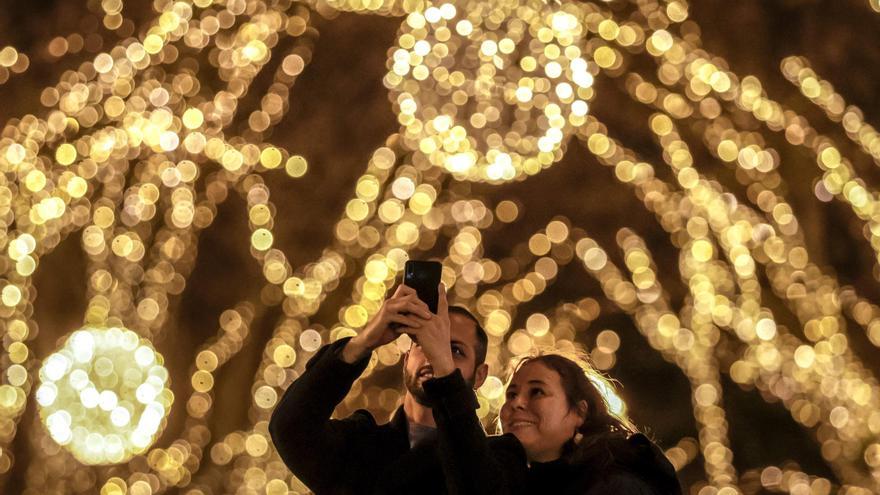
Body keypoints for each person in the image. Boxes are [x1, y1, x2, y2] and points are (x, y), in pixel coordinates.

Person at [269, 283, 522, 495]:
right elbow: (291, 428)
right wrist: (362, 342)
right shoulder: (359, 446)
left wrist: (445, 373)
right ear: (406, 358)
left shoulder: (499, 459)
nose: (434, 355)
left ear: (480, 376)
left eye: (454, 350)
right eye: (424, 343)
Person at [498, 352, 682, 494]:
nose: (516, 403)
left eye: (537, 392)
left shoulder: (618, 486)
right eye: (511, 394)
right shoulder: (503, 485)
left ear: (580, 412)